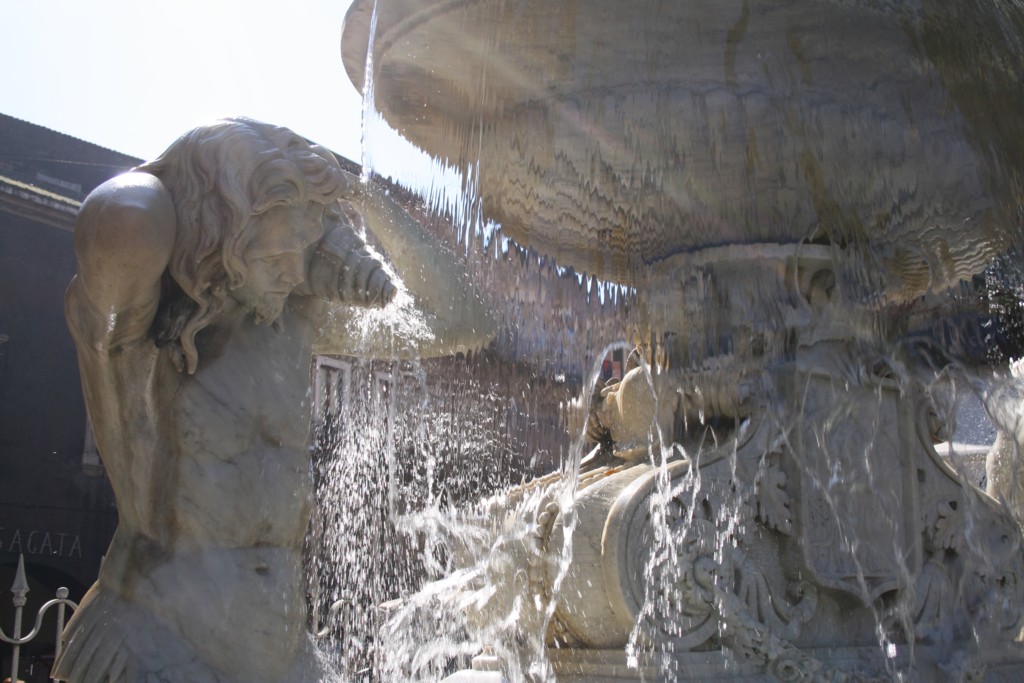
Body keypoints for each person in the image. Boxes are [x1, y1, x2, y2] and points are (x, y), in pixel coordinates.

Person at [52, 118, 493, 683]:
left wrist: (358, 190)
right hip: (160, 643)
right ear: (221, 234)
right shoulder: (140, 334)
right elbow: (124, 222)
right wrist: (196, 168)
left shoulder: (293, 325)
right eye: (276, 256)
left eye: (303, 251)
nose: (295, 271)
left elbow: (466, 321)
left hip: (284, 657)